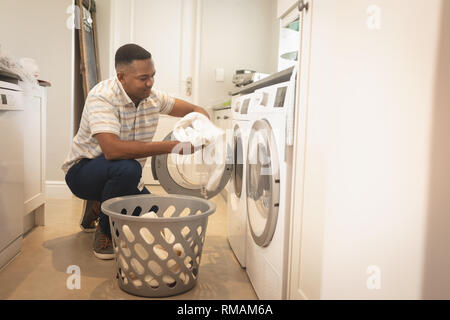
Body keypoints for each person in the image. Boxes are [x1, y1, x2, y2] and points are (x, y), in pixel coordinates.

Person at [62, 43, 210, 260]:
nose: (150, 83)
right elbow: (112, 151)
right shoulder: (102, 97)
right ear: (121, 77)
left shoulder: (153, 97)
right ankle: (105, 231)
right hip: (82, 172)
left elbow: (194, 110)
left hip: (118, 172)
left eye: (153, 76)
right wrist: (173, 147)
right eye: (143, 78)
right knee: (128, 168)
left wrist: (203, 124)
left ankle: (97, 205)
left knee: (153, 212)